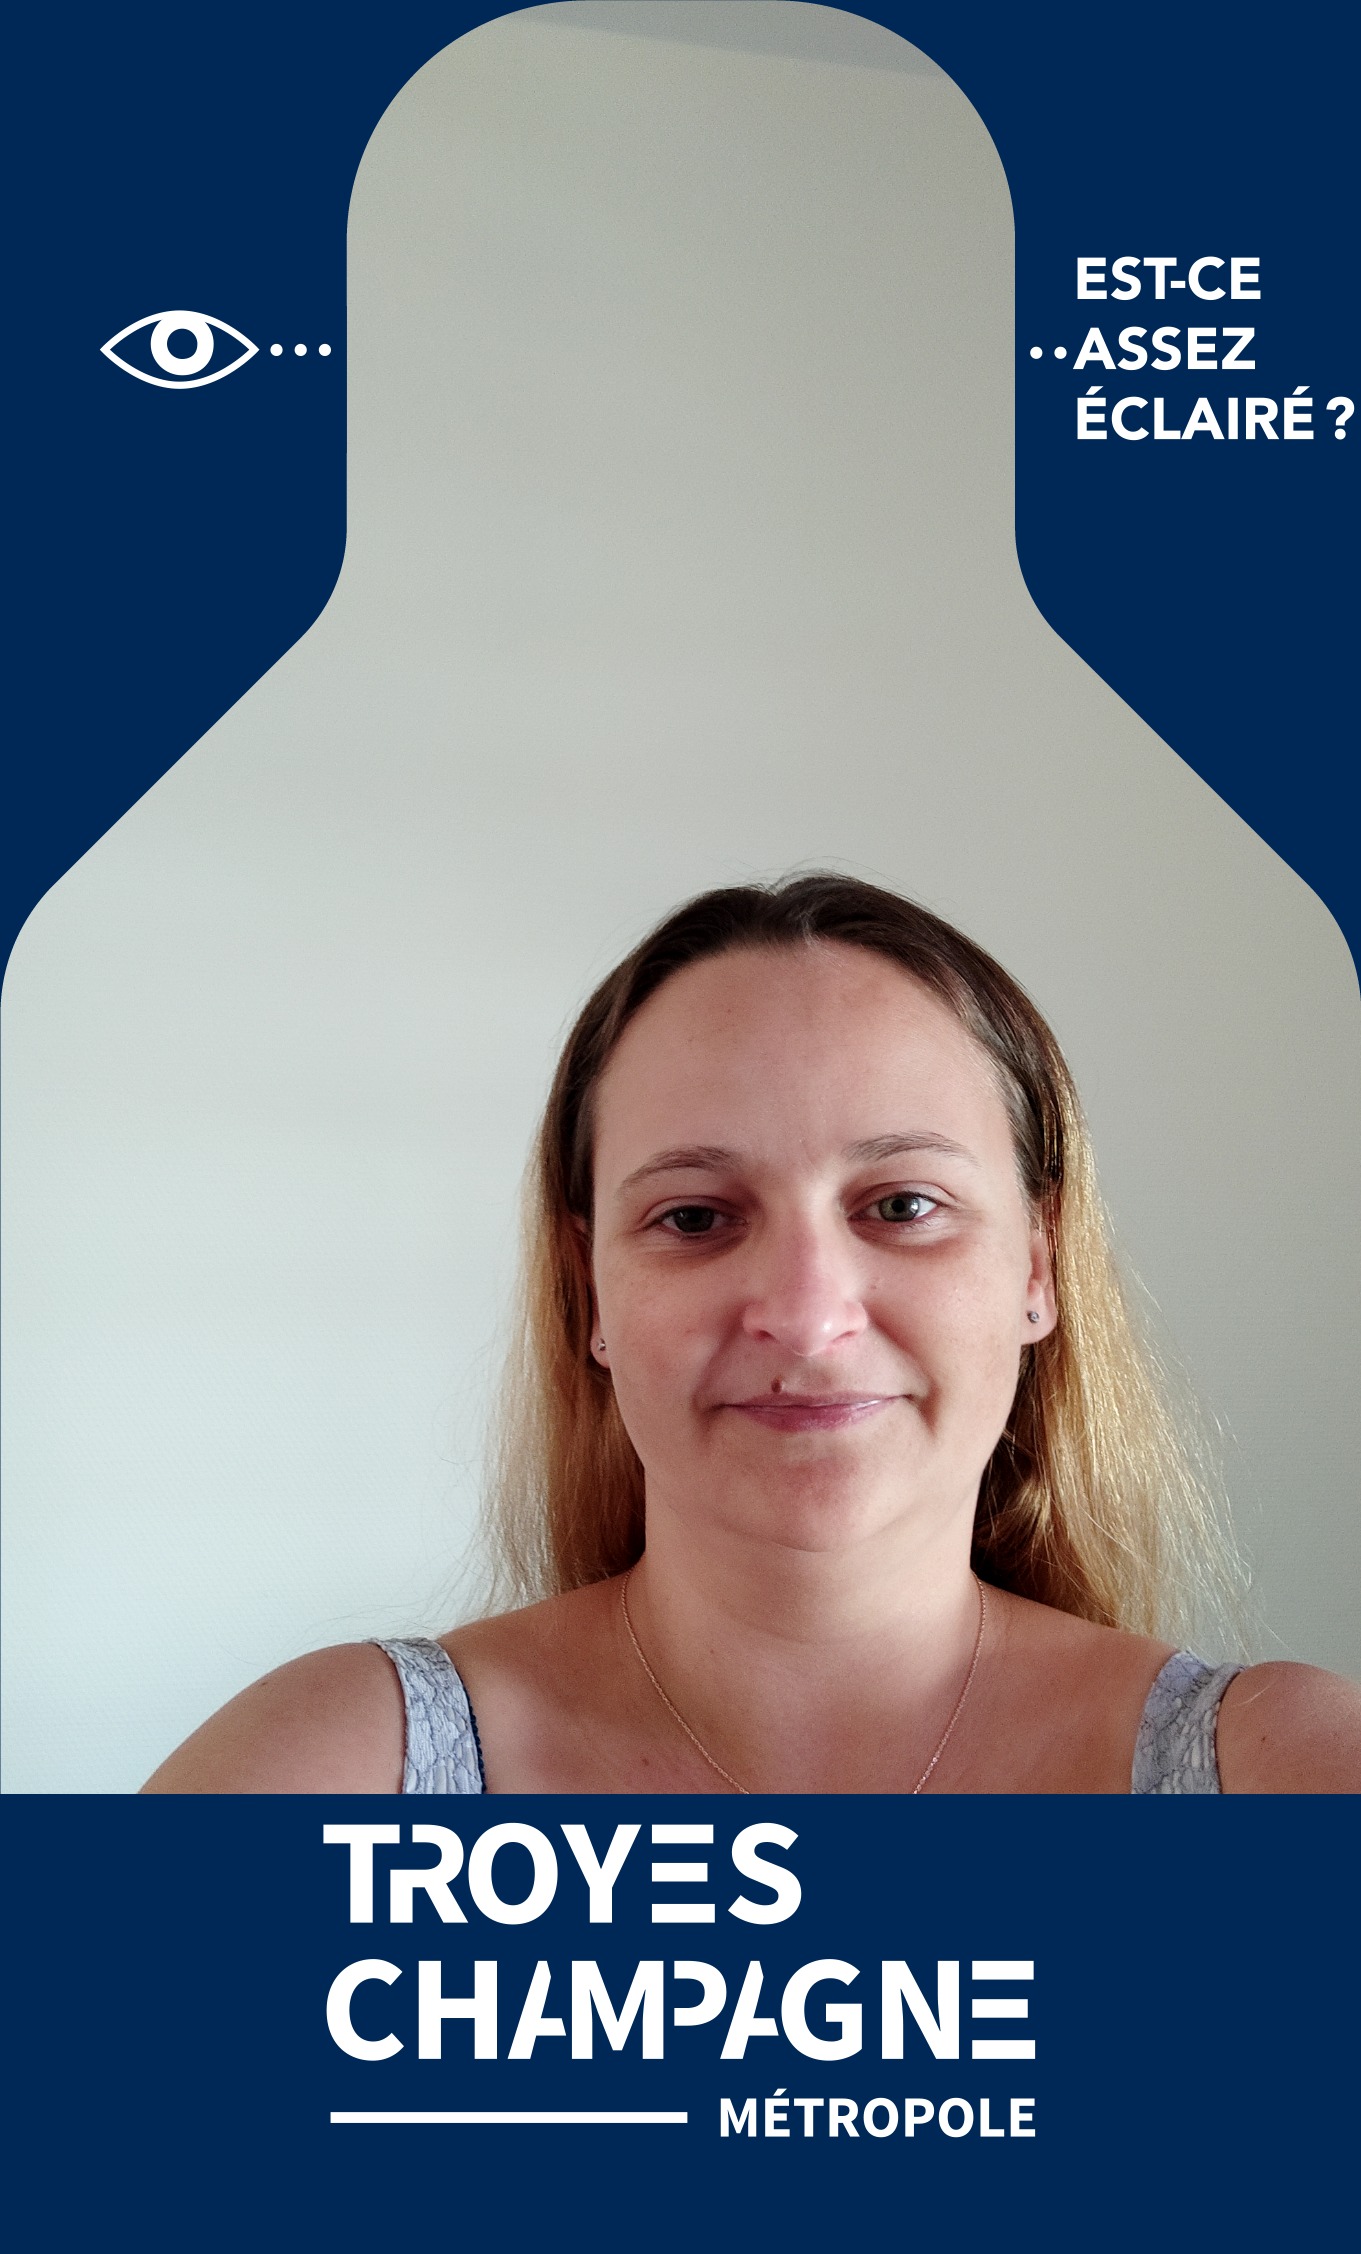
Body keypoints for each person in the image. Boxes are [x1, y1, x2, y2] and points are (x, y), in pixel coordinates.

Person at [144, 873, 1361, 1794]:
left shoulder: (1288, 1772)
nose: (807, 1312)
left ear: (1036, 1266)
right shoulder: (330, 1773)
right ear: (587, 1293)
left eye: (901, 1205)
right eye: (693, 1216)